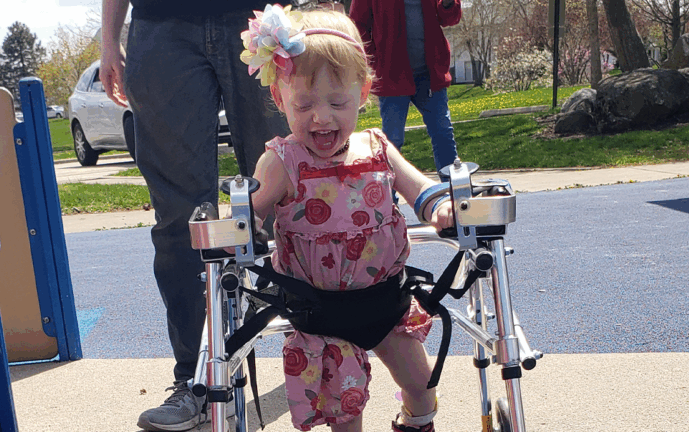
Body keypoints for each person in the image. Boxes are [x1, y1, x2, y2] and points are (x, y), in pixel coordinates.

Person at [241, 6, 455, 431]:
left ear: (363, 92)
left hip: (385, 300)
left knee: (422, 382)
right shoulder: (282, 160)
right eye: (304, 104)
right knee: (344, 413)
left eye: (337, 101)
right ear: (280, 98)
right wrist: (235, 229)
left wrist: (439, 207)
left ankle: (414, 424)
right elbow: (251, 215)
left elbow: (418, 188)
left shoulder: (376, 146)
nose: (321, 117)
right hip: (321, 313)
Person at [99, 0, 291, 430]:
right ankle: (196, 378)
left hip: (257, 17)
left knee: (291, 189)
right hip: (161, 24)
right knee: (180, 218)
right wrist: (109, 38)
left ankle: (319, 342)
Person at [349, 0, 462, 177]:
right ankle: (388, 200)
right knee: (392, 142)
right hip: (392, 76)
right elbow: (357, 25)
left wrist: (448, 3)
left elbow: (450, 18)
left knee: (443, 134)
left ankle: (454, 194)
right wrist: (374, 60)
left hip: (430, 75)